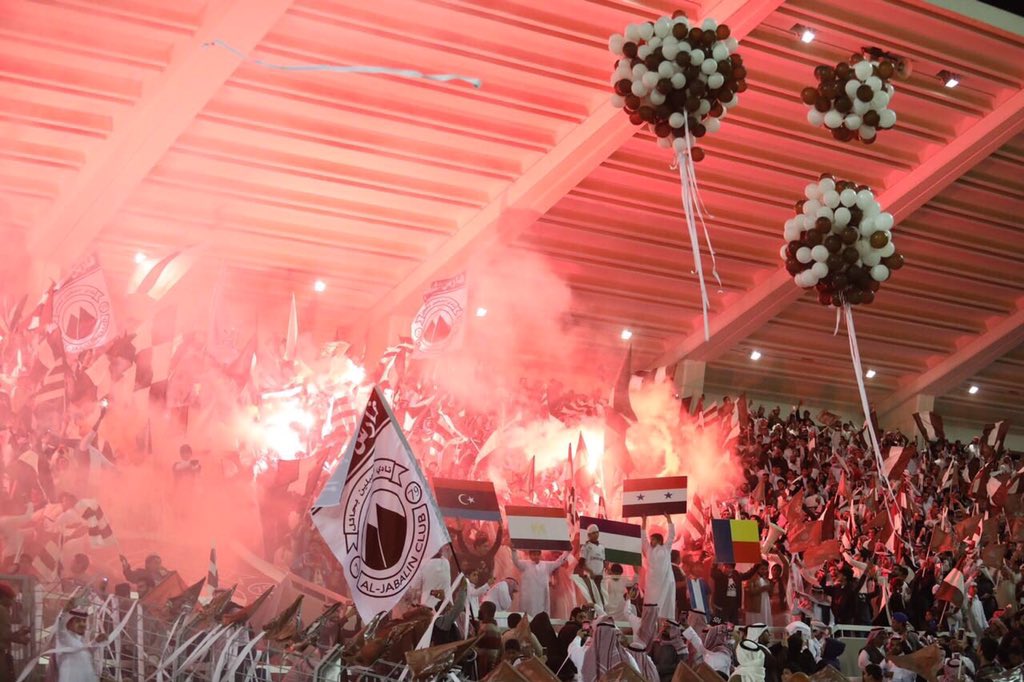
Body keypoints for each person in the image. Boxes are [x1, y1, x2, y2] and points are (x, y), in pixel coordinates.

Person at [511, 550, 569, 618]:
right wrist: (513, 550)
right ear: (530, 555)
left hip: (541, 598)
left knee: (541, 616)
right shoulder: (525, 564)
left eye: (537, 554)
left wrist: (567, 552)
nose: (535, 556)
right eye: (533, 554)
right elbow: (516, 561)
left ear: (540, 554)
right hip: (528, 598)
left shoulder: (546, 565)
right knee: (527, 616)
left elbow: (558, 562)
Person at [642, 515, 676, 620]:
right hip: (652, 583)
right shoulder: (648, 549)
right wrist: (644, 520)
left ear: (659, 540)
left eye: (653, 540)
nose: (651, 542)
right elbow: (643, 537)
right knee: (651, 605)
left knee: (664, 607)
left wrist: (669, 519)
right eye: (651, 540)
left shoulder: (666, 548)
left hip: (665, 582)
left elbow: (671, 535)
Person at [55, 609, 99, 682]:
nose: (82, 624)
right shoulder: (64, 638)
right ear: (68, 623)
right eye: (78, 621)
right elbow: (60, 627)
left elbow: (84, 651)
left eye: (84, 621)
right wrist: (64, 611)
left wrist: (96, 642)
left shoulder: (80, 640)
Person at [0, 582, 29, 682]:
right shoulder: (2, 610)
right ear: (2, 596)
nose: (12, 602)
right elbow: (5, 635)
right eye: (10, 598)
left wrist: (19, 633)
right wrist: (21, 639)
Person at [581, 524, 606, 606]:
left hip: (600, 577)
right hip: (590, 578)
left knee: (600, 600)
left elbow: (603, 561)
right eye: (594, 533)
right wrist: (590, 571)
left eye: (597, 532)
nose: (596, 534)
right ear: (589, 535)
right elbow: (581, 564)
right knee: (592, 600)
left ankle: (599, 616)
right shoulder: (586, 547)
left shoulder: (602, 547)